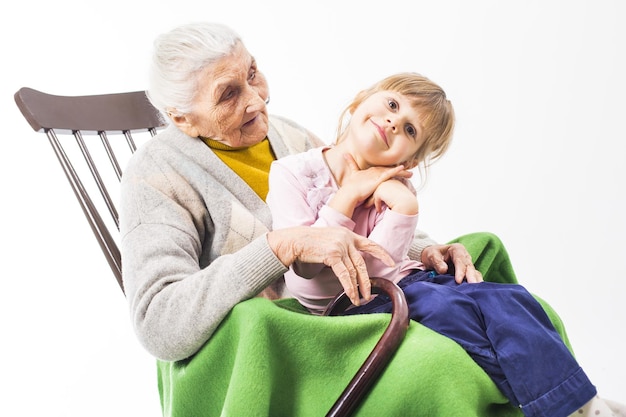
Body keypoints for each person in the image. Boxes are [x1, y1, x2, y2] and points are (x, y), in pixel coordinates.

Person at [119, 21, 623, 416]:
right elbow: (158, 324)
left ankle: (565, 400)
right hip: (280, 342)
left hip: (362, 293)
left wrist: (425, 246)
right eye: (229, 94)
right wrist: (280, 248)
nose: (258, 98)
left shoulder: (289, 136)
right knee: (438, 365)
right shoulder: (158, 174)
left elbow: (360, 215)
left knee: (503, 284)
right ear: (181, 119)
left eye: (253, 73)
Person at [266, 73, 620, 417]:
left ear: (408, 162)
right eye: (392, 104)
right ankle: (564, 403)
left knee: (509, 300)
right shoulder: (292, 172)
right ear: (361, 98)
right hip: (360, 303)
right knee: (457, 316)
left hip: (410, 285)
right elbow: (305, 270)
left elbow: (390, 259)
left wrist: (404, 203)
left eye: (409, 129)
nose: (392, 122)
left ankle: (578, 403)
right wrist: (351, 194)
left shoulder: (395, 187)